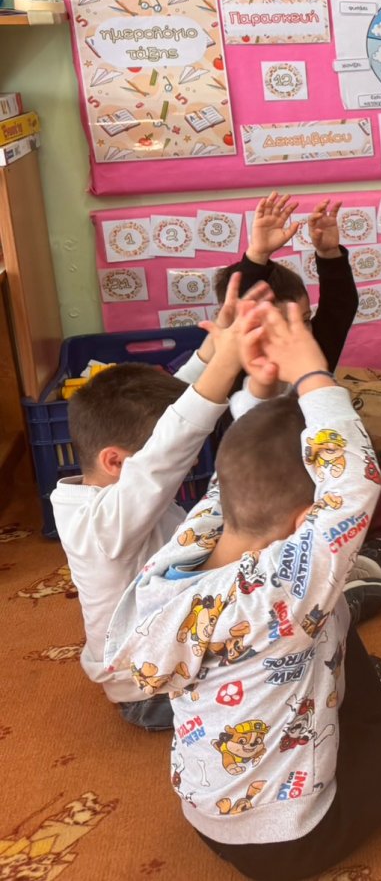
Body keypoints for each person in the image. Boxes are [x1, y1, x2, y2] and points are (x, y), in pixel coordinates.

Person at [105, 300, 381, 880]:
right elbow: (355, 484)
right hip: (293, 839)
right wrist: (311, 370)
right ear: (305, 521)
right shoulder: (279, 589)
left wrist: (258, 396)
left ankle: (357, 723)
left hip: (209, 815)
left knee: (329, 613)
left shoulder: (179, 557)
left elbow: (236, 475)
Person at [195, 191, 381, 622]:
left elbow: (341, 307)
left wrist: (329, 254)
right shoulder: (231, 373)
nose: (299, 333)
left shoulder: (307, 350)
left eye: (305, 321)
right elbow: (238, 307)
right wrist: (256, 256)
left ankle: (377, 548)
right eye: (280, 324)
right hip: (277, 497)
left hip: (330, 475)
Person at [53, 275, 255, 731]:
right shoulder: (102, 524)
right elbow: (169, 445)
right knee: (277, 671)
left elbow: (164, 425)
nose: (187, 464)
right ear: (115, 461)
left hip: (172, 639)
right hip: (149, 689)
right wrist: (226, 364)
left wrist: (209, 353)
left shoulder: (104, 488)